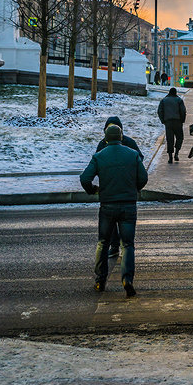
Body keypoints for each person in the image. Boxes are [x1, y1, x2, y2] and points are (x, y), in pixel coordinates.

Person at [80, 123, 148, 297]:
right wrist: (133, 188)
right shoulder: (132, 155)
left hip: (107, 205)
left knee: (103, 242)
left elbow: (85, 178)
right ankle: (127, 280)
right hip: (128, 205)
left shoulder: (99, 156)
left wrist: (93, 190)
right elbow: (143, 178)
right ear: (121, 137)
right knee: (128, 244)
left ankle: (100, 280)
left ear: (105, 138)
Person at [95, 116, 144, 259]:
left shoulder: (128, 142)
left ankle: (123, 248)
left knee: (121, 222)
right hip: (112, 189)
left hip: (121, 189)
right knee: (113, 224)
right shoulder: (102, 144)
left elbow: (139, 160)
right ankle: (115, 246)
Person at [157, 87, 186, 163]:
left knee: (170, 139)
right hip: (178, 122)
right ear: (175, 92)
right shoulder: (179, 100)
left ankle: (170, 157)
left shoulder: (164, 100)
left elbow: (160, 111)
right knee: (180, 137)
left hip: (168, 122)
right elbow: (183, 111)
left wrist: (163, 120)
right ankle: (176, 153)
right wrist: (182, 120)